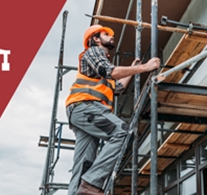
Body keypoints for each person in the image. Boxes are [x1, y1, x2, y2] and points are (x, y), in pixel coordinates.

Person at [65, 25, 161, 195]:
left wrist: (132, 70)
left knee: (84, 162)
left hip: (82, 112)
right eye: (106, 34)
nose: (111, 36)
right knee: (123, 133)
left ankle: (81, 189)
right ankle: (91, 185)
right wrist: (145, 67)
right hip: (86, 107)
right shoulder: (94, 52)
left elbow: (117, 88)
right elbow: (109, 71)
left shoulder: (100, 70)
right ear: (95, 39)